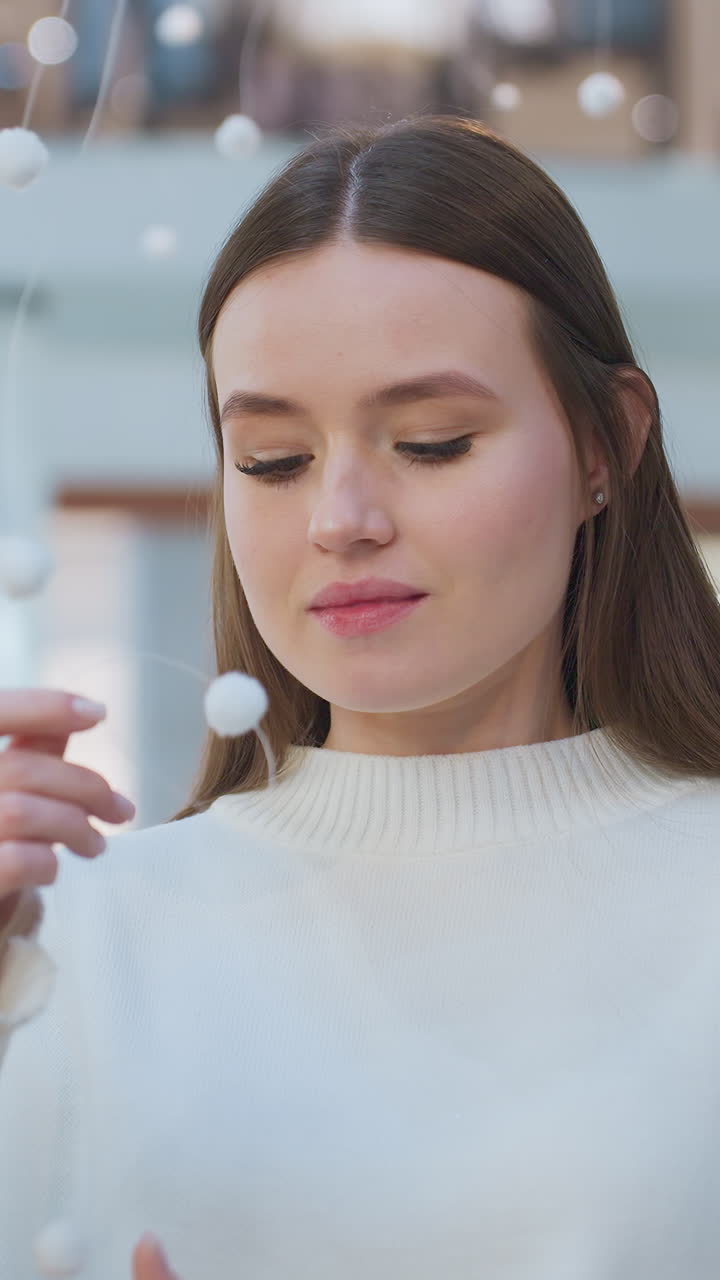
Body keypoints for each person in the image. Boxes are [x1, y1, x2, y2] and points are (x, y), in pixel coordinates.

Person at [2, 113, 720, 1279]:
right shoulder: (79, 936)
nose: (341, 519)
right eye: (272, 461)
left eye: (433, 442)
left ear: (607, 446)